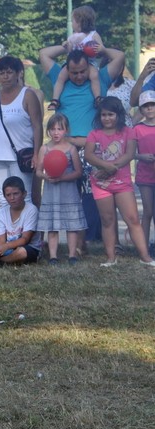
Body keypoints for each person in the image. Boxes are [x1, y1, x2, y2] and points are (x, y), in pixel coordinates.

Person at [39, 44, 127, 250]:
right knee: (71, 197)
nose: (78, 76)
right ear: (66, 70)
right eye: (73, 72)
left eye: (82, 72)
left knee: (94, 197)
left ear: (90, 69)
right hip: (65, 149)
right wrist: (65, 47)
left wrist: (100, 49)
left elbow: (120, 56)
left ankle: (98, 242)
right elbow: (43, 54)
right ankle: (77, 245)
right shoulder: (59, 80)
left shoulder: (101, 79)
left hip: (92, 149)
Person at [84, 97, 155, 267]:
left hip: (122, 183)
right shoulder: (94, 134)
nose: (107, 118)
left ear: (118, 115)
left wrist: (110, 168)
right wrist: (104, 166)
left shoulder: (128, 132)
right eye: (104, 115)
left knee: (132, 219)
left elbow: (129, 154)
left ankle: (145, 257)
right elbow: (89, 154)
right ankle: (110, 258)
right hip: (101, 184)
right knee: (107, 220)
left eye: (111, 114)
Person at [0, 55, 43, 209]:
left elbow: (37, 126)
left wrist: (36, 154)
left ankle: (27, 233)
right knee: (1, 199)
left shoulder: (27, 95)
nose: (5, 77)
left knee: (22, 198)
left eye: (9, 72)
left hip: (20, 156)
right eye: (1, 73)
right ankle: (5, 233)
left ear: (18, 73)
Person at [35, 113, 86, 265]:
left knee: (71, 225)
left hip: (69, 192)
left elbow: (78, 171)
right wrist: (47, 177)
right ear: (48, 131)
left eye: (60, 129)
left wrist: (61, 178)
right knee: (52, 226)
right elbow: (38, 171)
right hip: (51, 193)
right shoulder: (44, 149)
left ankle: (72, 255)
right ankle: (53, 256)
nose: (56, 132)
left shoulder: (71, 149)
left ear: (66, 130)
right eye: (52, 129)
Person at [48, 6, 103, 111]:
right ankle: (55, 100)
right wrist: (66, 45)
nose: (72, 23)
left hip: (89, 62)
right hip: (72, 63)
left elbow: (100, 48)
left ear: (80, 22)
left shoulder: (93, 35)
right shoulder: (74, 36)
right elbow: (69, 48)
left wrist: (100, 48)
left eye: (73, 21)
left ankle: (97, 98)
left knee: (94, 76)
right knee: (61, 77)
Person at [133, 91, 155, 250]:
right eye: (145, 106)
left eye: (152, 105)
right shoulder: (137, 129)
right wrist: (141, 156)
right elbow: (130, 153)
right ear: (141, 110)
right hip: (145, 176)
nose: (149, 109)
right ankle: (144, 247)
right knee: (147, 212)